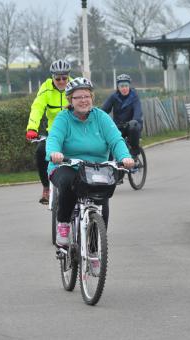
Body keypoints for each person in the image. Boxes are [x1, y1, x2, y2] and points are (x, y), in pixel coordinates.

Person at [46, 77, 134, 247]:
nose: (83, 100)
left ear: (92, 97)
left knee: (103, 195)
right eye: (78, 97)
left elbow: (115, 140)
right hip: (66, 165)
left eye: (87, 96)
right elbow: (54, 138)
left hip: (95, 168)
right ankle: (63, 224)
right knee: (67, 182)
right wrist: (54, 153)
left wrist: (124, 157)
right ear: (70, 100)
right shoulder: (63, 119)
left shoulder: (101, 117)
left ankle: (94, 249)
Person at [25, 59, 72, 204]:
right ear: (52, 77)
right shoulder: (46, 88)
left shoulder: (75, 86)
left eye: (65, 77)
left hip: (73, 132)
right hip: (54, 133)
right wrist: (32, 128)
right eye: (58, 78)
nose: (61, 81)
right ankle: (46, 187)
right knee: (40, 151)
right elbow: (37, 108)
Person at [101, 73, 143, 156]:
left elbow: (138, 111)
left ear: (129, 86)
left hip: (132, 126)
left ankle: (134, 152)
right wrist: (97, 117)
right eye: (122, 86)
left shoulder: (134, 97)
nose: (124, 88)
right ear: (118, 87)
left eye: (126, 86)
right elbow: (104, 110)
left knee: (133, 125)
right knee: (110, 145)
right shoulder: (113, 97)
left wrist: (135, 120)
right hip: (118, 126)